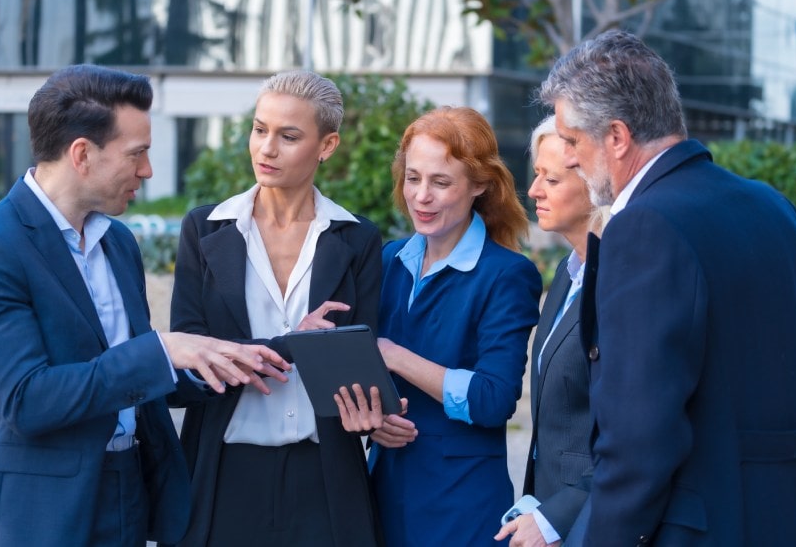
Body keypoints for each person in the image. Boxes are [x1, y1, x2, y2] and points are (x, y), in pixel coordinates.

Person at [539, 29, 796, 545]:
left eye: (573, 141)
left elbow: (636, 443)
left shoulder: (645, 228)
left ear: (618, 137)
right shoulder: (775, 207)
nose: (571, 159)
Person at [0, 64, 284, 547]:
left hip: (133, 492)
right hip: (47, 514)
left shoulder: (119, 242)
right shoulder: (1, 244)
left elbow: (138, 379)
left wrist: (279, 348)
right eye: (138, 153)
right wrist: (161, 351)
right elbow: (27, 400)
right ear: (82, 154)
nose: (147, 171)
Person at [167, 70, 384, 547]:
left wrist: (375, 413)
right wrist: (294, 344)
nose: (266, 148)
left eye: (288, 136)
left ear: (326, 146)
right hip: (224, 471)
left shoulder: (358, 238)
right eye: (259, 129)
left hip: (324, 476)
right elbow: (188, 370)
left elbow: (362, 367)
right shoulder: (204, 230)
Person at [365, 106, 542, 546]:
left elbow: (492, 399)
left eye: (440, 182)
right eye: (412, 178)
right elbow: (359, 376)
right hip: (379, 498)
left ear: (480, 185)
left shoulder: (506, 275)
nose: (421, 196)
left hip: (461, 510)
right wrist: (369, 420)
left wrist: (396, 356)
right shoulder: (387, 261)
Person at [495, 116, 605, 547]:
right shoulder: (567, 271)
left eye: (551, 179)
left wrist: (557, 516)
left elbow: (631, 431)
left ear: (596, 184)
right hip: (549, 508)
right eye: (536, 174)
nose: (534, 190)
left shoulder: (620, 281)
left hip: (592, 516)